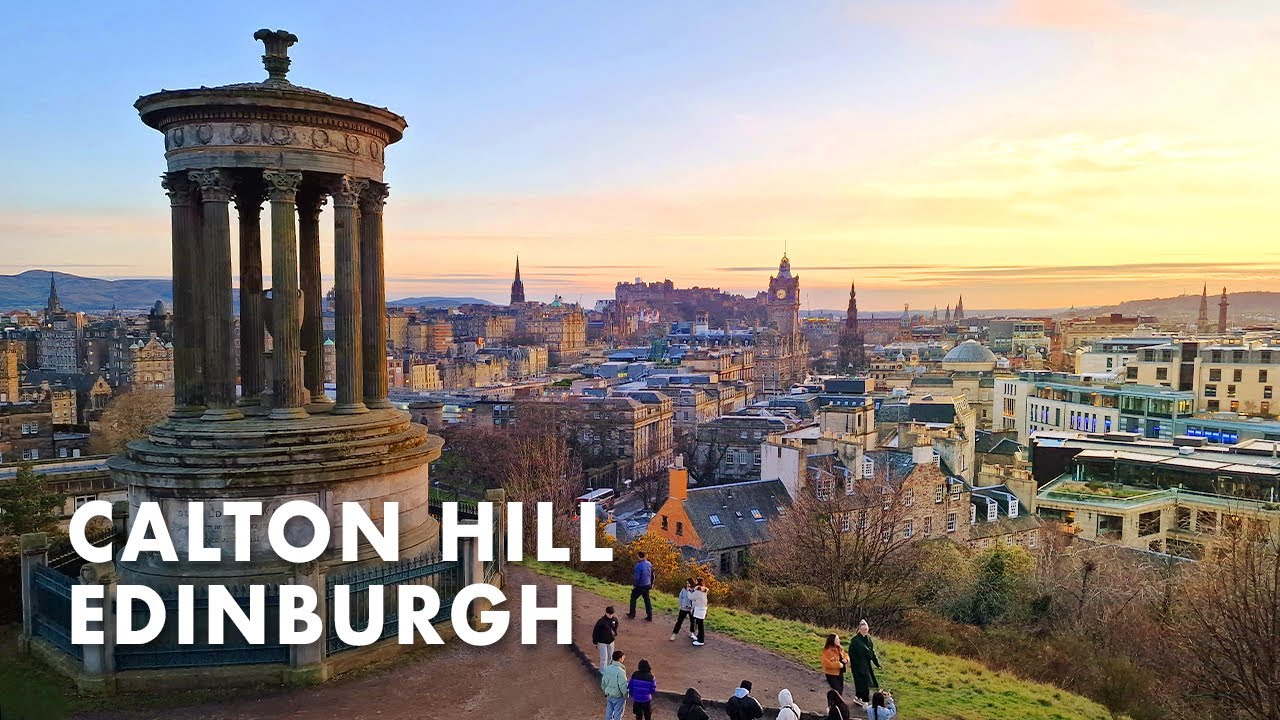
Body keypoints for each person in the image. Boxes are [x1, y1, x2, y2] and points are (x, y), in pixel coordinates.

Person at [848, 619, 881, 704]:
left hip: (866, 665)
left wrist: (877, 663)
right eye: (864, 629)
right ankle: (863, 700)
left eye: (866, 629)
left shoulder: (869, 639)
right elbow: (851, 654)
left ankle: (860, 698)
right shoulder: (855, 640)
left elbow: (872, 651)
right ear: (859, 629)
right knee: (860, 683)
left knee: (865, 682)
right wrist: (855, 665)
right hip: (858, 666)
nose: (866, 631)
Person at [600, 650, 628, 720]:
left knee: (609, 714)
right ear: (620, 658)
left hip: (609, 695)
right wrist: (625, 695)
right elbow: (623, 685)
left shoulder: (607, 669)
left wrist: (606, 691)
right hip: (618, 696)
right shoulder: (621, 671)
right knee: (618, 715)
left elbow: (603, 682)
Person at [629, 551, 654, 621]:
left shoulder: (638, 566)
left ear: (638, 556)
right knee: (647, 600)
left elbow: (637, 578)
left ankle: (632, 614)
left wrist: (635, 586)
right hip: (647, 585)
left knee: (633, 598)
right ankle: (649, 616)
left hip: (640, 585)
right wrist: (651, 584)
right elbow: (652, 575)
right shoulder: (649, 564)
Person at [690, 577, 709, 646]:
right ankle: (699, 637)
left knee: (700, 625)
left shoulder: (698, 591)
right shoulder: (704, 590)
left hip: (699, 609)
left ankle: (701, 640)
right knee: (700, 623)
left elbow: (691, 597)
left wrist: (689, 591)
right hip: (703, 609)